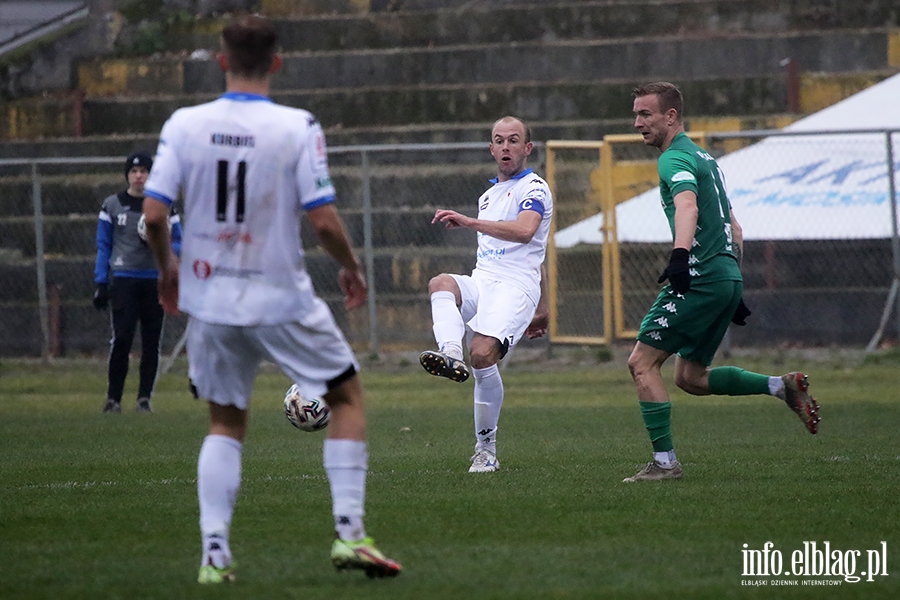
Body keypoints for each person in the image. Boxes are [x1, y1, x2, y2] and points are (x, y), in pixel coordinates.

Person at [141, 15, 401, 584]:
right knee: (346, 397)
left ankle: (214, 555)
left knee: (225, 423)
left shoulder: (185, 124)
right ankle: (350, 535)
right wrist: (351, 268)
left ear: (221, 61)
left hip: (211, 298)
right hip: (280, 296)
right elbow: (325, 221)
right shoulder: (295, 126)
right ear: (277, 63)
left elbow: (154, 214)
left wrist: (169, 271)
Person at [623, 81, 820, 483]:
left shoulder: (673, 159)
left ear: (671, 116)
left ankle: (664, 465)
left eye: (646, 114)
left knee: (642, 364)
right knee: (690, 377)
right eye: (636, 114)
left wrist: (680, 258)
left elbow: (687, 205)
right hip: (724, 274)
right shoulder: (707, 159)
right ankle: (781, 387)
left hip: (698, 276)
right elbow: (735, 227)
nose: (638, 122)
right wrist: (734, 280)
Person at [419, 115, 552, 474]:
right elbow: (536, 251)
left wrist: (469, 222)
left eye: (513, 140)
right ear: (491, 148)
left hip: (515, 289)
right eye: (499, 140)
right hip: (484, 280)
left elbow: (526, 234)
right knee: (440, 283)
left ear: (527, 148)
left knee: (482, 354)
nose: (506, 146)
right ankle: (450, 354)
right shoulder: (488, 195)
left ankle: (486, 450)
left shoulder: (535, 189)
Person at [93, 151, 183, 414]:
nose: (139, 175)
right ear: (127, 175)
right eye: (134, 171)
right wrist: (101, 281)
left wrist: (159, 239)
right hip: (124, 279)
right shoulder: (112, 205)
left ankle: (144, 399)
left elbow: (179, 240)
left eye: (144, 170)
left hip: (154, 280)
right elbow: (104, 245)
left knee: (151, 342)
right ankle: (114, 398)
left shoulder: (164, 206)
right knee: (121, 338)